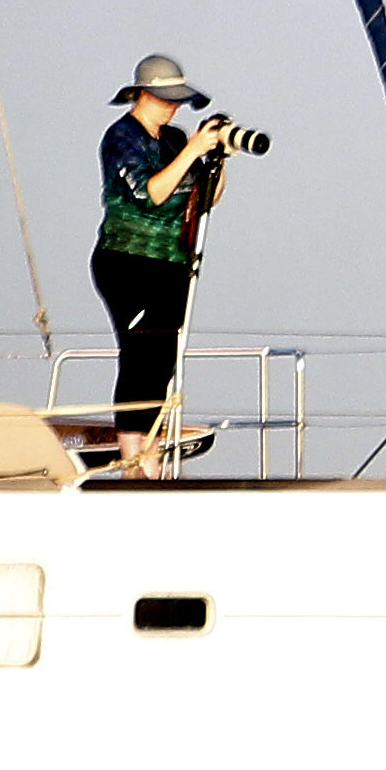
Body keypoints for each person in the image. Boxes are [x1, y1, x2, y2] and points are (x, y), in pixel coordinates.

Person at [92, 53, 228, 478]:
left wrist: (218, 159)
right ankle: (135, 461)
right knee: (139, 357)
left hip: (171, 263)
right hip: (128, 262)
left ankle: (149, 455)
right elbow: (148, 193)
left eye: (178, 101)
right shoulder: (122, 137)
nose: (173, 108)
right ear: (143, 94)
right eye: (167, 99)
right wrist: (191, 151)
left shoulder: (173, 140)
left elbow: (204, 199)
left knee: (162, 361)